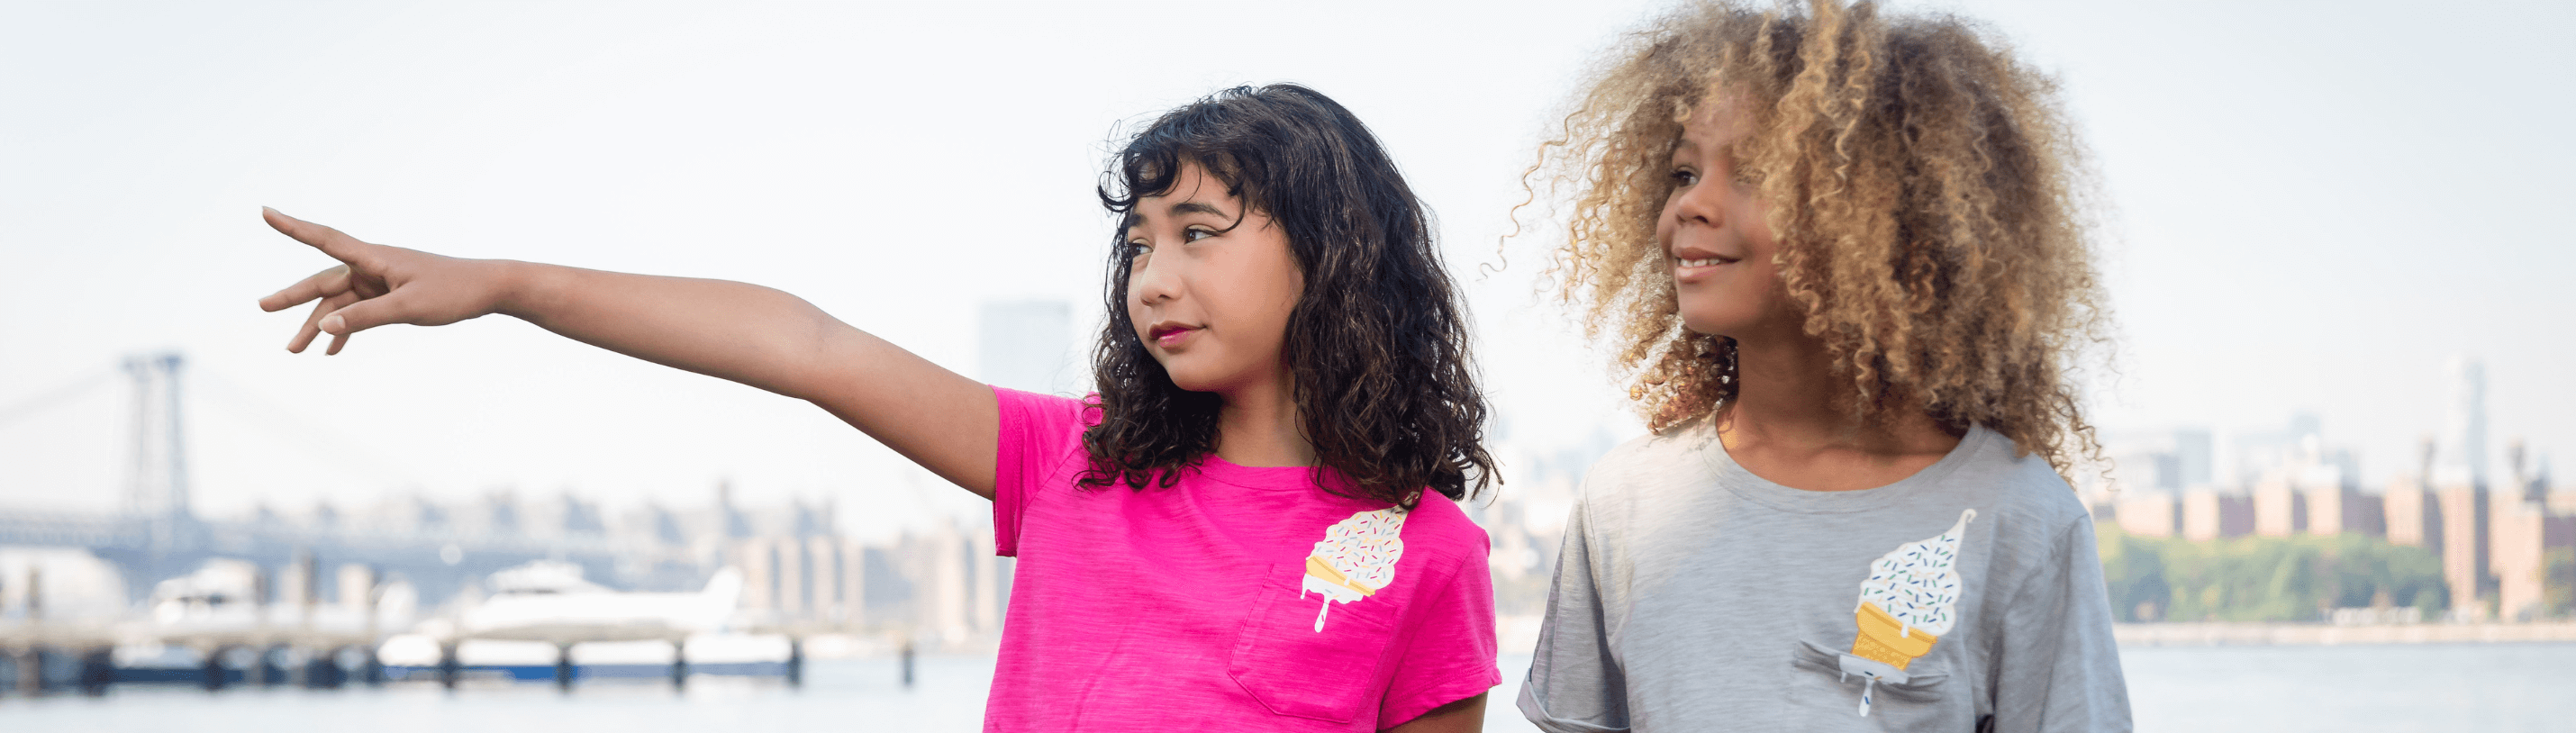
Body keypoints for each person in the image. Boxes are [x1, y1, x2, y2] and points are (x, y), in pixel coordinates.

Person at [256, 84, 1500, 732]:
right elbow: (803, 344)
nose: (1154, 278)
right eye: (1137, 243)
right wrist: (506, 286)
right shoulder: (1076, 462)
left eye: (1199, 232)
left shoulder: (1428, 555)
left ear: (1331, 254)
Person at [1513, 2, 2130, 730]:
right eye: (1683, 172)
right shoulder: (1625, 501)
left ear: (1889, 216)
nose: (1693, 204)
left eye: (1757, 173)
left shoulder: (2022, 519)